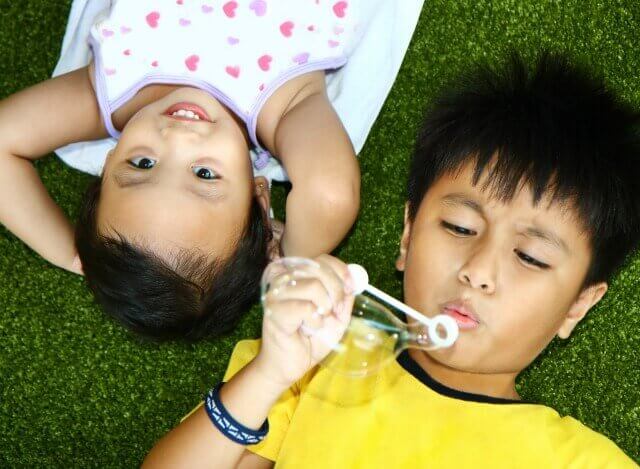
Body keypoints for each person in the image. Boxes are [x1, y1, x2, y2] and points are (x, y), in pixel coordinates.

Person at [143, 53, 639, 467]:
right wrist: (271, 374)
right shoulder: (308, 367)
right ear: (407, 236)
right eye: (460, 228)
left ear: (578, 306)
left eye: (530, 257)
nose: (479, 271)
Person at [0, 0, 365, 340]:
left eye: (143, 164)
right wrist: (287, 254)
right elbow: (329, 195)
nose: (177, 138)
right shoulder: (284, 104)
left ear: (108, 162)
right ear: (258, 193)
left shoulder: (110, 94)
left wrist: (72, 253)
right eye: (204, 174)